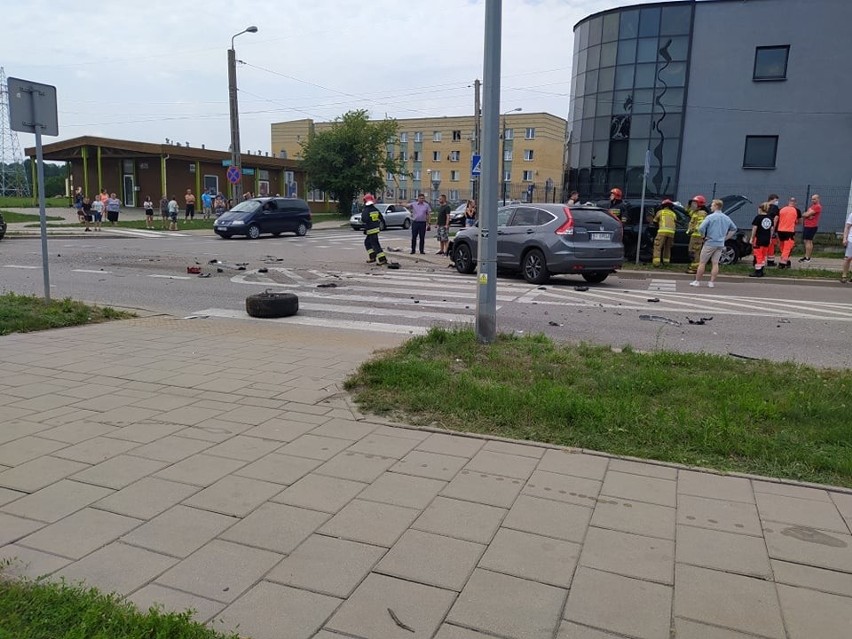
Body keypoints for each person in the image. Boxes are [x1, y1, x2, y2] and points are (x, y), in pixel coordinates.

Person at [690, 198, 736, 288]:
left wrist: (703, 236)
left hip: (710, 242)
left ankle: (697, 281)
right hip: (720, 243)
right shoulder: (726, 218)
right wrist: (725, 238)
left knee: (702, 262)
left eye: (712, 205)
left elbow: (701, 228)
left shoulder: (710, 217)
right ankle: (711, 282)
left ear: (716, 206)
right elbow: (734, 228)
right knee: (715, 263)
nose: (711, 206)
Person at [775, 197, 801, 269]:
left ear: (788, 202)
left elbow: (776, 219)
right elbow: (800, 222)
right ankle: (782, 263)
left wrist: (774, 229)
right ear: (795, 203)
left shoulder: (781, 209)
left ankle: (787, 261)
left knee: (782, 246)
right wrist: (795, 222)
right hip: (789, 231)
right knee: (787, 247)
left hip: (780, 230)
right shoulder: (797, 210)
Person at [361, 193, 388, 265]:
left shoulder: (366, 210)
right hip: (375, 229)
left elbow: (364, 219)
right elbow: (381, 218)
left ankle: (383, 259)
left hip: (370, 229)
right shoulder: (375, 209)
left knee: (375, 245)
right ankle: (372, 257)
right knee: (367, 243)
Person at [749, 202, 774, 278]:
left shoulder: (758, 218)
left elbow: (755, 228)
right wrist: (770, 238)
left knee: (758, 255)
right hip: (766, 239)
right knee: (763, 255)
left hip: (759, 239)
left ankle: (758, 271)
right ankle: (762, 270)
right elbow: (772, 229)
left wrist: (752, 238)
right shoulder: (770, 218)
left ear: (760, 209)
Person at [685, 195, 707, 274]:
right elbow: (687, 211)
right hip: (694, 235)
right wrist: (689, 204)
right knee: (691, 251)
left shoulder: (701, 213)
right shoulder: (695, 212)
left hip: (697, 236)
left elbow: (700, 224)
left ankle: (695, 268)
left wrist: (692, 230)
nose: (693, 205)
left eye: (695, 203)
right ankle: (693, 266)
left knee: (695, 252)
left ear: (699, 205)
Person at [651, 199, 676, 267]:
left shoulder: (660, 212)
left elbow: (655, 221)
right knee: (667, 248)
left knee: (657, 246)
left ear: (663, 206)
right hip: (671, 233)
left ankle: (656, 263)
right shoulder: (673, 214)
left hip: (662, 231)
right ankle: (666, 262)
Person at [799, 194, 822, 263]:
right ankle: (807, 256)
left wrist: (807, 215)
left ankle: (807, 257)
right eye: (812, 199)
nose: (813, 200)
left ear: (818, 199)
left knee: (808, 241)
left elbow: (806, 214)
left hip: (811, 226)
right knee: (807, 241)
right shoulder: (813, 206)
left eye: (814, 199)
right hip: (808, 225)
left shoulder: (817, 207)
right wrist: (807, 215)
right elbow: (805, 214)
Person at [765, 194, 781, 266]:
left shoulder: (763, 206)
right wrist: (774, 230)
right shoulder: (775, 208)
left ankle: (756, 260)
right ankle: (770, 261)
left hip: (762, 227)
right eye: (776, 200)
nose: (777, 202)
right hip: (771, 228)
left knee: (761, 245)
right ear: (772, 199)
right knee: (771, 245)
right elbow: (775, 219)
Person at [841, 207, 852, 284]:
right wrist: (845, 238)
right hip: (851, 240)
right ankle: (844, 276)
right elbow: (847, 227)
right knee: (848, 258)